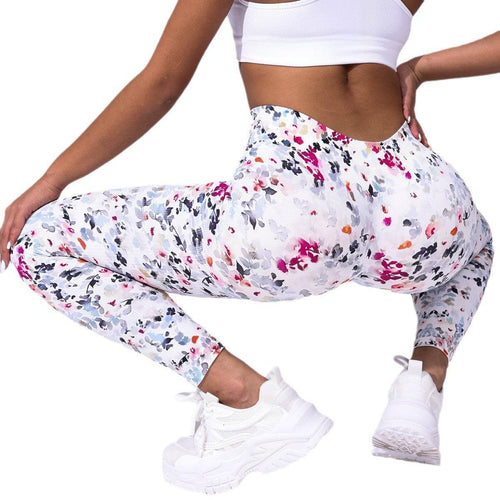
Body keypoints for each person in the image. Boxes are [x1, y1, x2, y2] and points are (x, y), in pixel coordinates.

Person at [0, 0, 497, 493]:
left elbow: (162, 83)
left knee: (43, 241)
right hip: (419, 198)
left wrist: (52, 180)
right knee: (473, 248)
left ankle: (245, 397)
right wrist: (419, 68)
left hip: (298, 206)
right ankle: (422, 381)